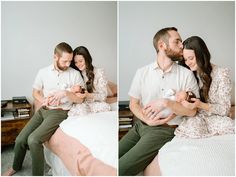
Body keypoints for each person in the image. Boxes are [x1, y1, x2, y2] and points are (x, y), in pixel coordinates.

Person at [144, 36, 235, 175]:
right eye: (185, 59)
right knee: (191, 129)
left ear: (201, 54)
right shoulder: (191, 74)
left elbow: (224, 109)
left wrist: (200, 105)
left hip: (216, 115)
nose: (188, 63)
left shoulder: (222, 74)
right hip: (197, 116)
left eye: (191, 58)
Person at [119, 27, 200, 176]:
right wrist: (146, 120)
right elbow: (133, 104)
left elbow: (193, 111)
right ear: (162, 46)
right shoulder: (142, 72)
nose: (182, 45)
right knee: (112, 158)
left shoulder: (187, 75)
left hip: (165, 129)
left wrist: (167, 103)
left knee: (122, 168)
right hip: (140, 125)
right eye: (177, 41)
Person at [2, 42, 85, 176]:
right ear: (55, 57)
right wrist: (43, 100)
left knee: (34, 139)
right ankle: (15, 167)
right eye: (65, 61)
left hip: (59, 112)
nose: (68, 64)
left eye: (70, 61)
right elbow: (35, 92)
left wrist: (66, 93)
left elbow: (81, 99)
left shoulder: (75, 74)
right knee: (20, 139)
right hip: (44, 109)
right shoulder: (43, 72)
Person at [67, 46, 111, 116]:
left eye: (81, 61)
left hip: (95, 102)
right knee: (78, 110)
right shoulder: (76, 74)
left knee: (105, 107)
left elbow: (103, 96)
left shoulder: (99, 72)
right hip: (81, 103)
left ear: (87, 59)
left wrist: (88, 95)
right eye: (76, 62)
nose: (78, 64)